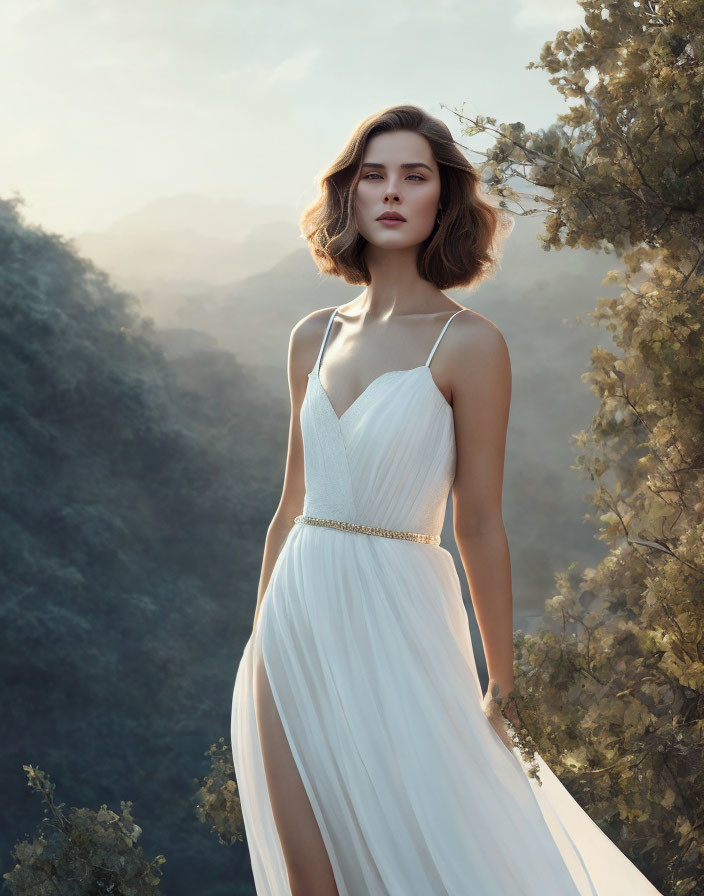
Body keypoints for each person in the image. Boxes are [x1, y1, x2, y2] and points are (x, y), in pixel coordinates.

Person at [230, 105, 663, 896]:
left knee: (446, 851)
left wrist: (502, 676)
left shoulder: (469, 342)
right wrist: (262, 637)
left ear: (443, 200)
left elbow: (481, 524)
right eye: (374, 175)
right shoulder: (310, 336)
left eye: (414, 176)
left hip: (402, 618)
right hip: (294, 620)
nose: (392, 192)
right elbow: (290, 502)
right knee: (308, 880)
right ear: (349, 197)